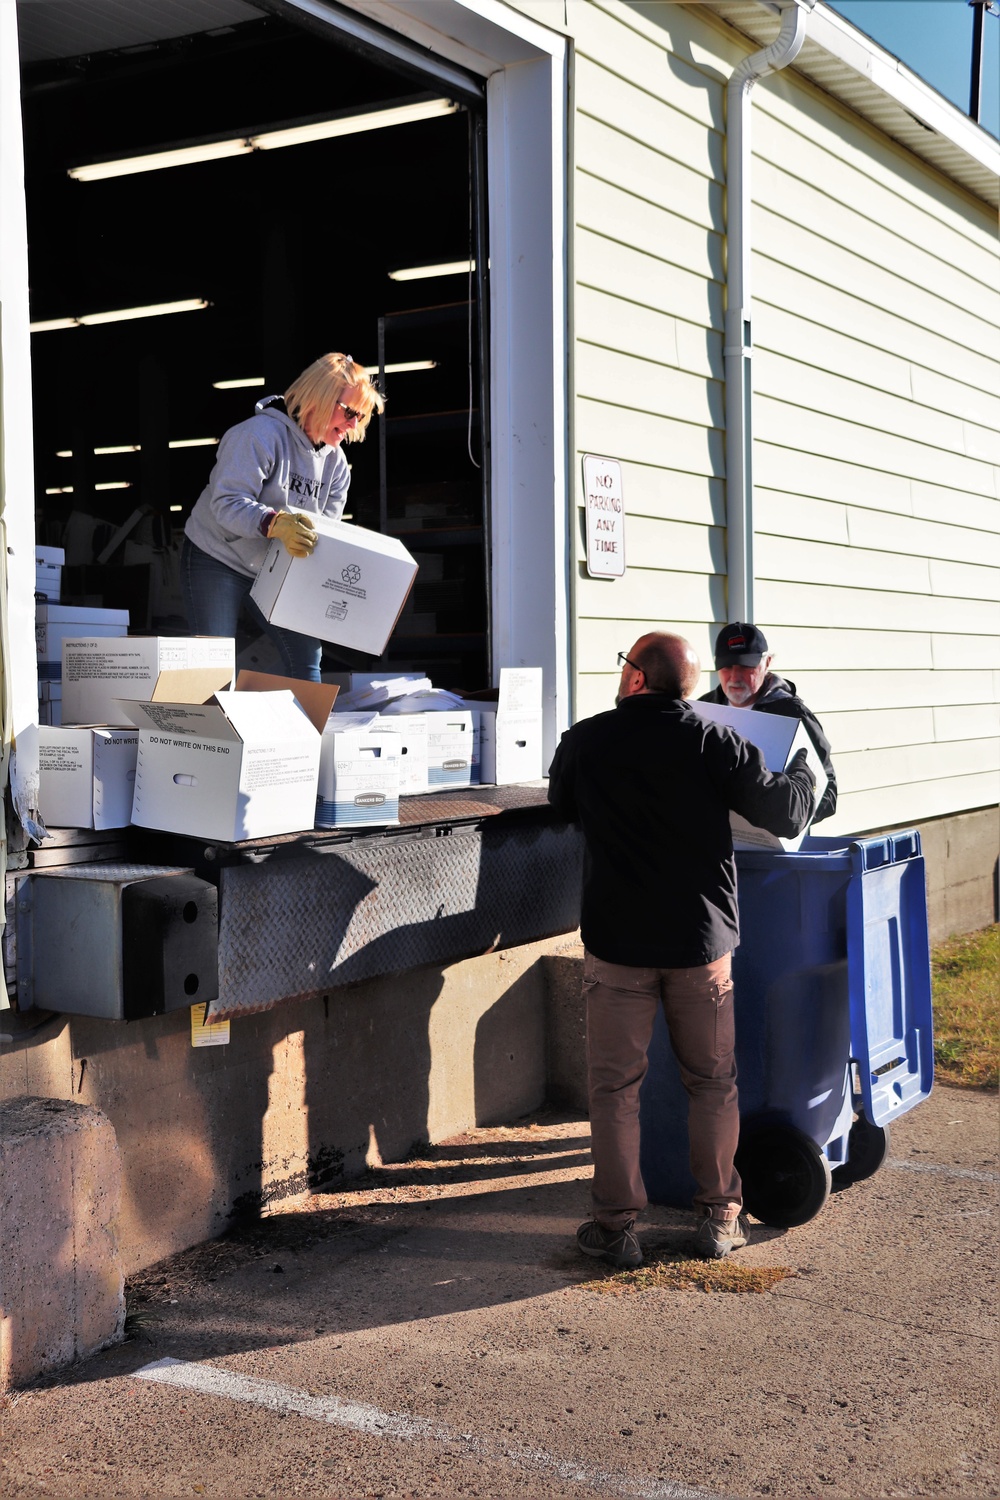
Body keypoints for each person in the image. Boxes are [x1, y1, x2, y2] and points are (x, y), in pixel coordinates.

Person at [546, 633, 816, 1268]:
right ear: (690, 686)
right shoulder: (715, 740)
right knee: (713, 1082)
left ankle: (614, 1228)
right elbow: (786, 812)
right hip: (701, 945)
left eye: (624, 666)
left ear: (637, 680)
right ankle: (721, 1217)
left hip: (617, 945)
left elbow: (561, 805)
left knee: (614, 1088)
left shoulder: (586, 739)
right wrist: (800, 768)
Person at [182, 352, 384, 682]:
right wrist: (274, 523)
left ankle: (306, 733)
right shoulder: (258, 435)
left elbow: (324, 534)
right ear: (318, 397)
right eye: (349, 412)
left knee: (307, 656)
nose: (352, 425)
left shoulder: (337, 466)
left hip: (274, 566)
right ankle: (215, 733)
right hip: (216, 554)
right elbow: (226, 503)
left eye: (360, 418)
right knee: (213, 666)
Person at [699, 622, 837, 822]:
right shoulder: (703, 710)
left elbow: (828, 793)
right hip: (716, 843)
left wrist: (786, 817)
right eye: (726, 666)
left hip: (774, 848)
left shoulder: (793, 714)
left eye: (747, 666)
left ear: (768, 662)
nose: (735, 676)